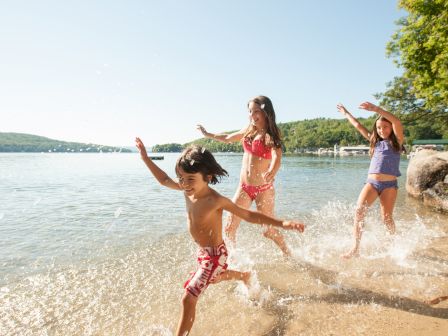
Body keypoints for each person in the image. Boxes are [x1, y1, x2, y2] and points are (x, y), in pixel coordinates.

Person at [135, 138, 304, 336]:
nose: (184, 184)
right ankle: (244, 276)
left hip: (215, 255)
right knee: (213, 278)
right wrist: (145, 158)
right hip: (205, 251)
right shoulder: (187, 189)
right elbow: (164, 180)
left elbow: (248, 215)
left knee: (188, 298)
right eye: (181, 178)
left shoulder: (214, 200)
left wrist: (280, 223)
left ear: (207, 176)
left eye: (190, 179)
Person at [196, 95, 291, 255]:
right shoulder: (248, 130)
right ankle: (232, 259)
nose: (252, 115)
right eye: (250, 111)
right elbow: (227, 138)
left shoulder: (270, 135)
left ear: (265, 112)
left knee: (268, 230)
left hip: (263, 189)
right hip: (244, 188)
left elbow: (276, 157)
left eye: (256, 111)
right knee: (229, 228)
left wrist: (272, 170)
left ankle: (287, 251)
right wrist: (208, 134)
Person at [337, 102, 404, 259]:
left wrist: (376, 109)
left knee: (386, 218)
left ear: (391, 129)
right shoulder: (375, 142)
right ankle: (355, 248)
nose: (382, 130)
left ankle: (394, 242)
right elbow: (358, 125)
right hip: (372, 183)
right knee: (359, 211)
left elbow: (397, 122)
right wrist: (346, 113)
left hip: (389, 186)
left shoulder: (397, 142)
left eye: (385, 127)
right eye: (379, 128)